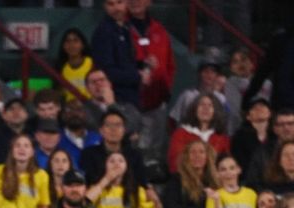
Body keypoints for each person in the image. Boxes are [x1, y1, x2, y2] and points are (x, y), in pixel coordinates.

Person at [128, 0, 175, 165]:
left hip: (157, 101)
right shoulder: (120, 29)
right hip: (130, 102)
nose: (135, 2)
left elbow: (170, 65)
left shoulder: (159, 30)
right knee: (132, 151)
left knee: (155, 153)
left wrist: (165, 89)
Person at [90, 0, 142, 107]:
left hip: (135, 96)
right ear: (105, 6)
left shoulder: (128, 26)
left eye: (119, 2)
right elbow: (106, 71)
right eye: (111, 4)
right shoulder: (104, 32)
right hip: (118, 99)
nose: (116, 8)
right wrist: (138, 76)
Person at [167, 93, 230, 174]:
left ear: (216, 111)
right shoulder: (181, 134)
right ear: (194, 109)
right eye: (201, 105)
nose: (205, 108)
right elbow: (175, 163)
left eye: (210, 105)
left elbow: (226, 164)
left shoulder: (222, 138)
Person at [231, 97, 272, 178]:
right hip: (248, 180)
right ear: (248, 116)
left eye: (263, 106)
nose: (259, 108)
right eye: (254, 108)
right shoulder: (239, 138)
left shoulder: (276, 136)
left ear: (269, 113)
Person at [0, 98, 28, 168]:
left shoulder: (34, 136)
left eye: (20, 109)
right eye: (11, 109)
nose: (16, 112)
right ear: (4, 115)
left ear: (26, 114)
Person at [55, 28, 93, 102]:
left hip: (91, 108)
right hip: (69, 109)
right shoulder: (60, 68)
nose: (72, 45)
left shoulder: (93, 64)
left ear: (83, 45)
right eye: (68, 41)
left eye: (76, 41)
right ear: (63, 46)